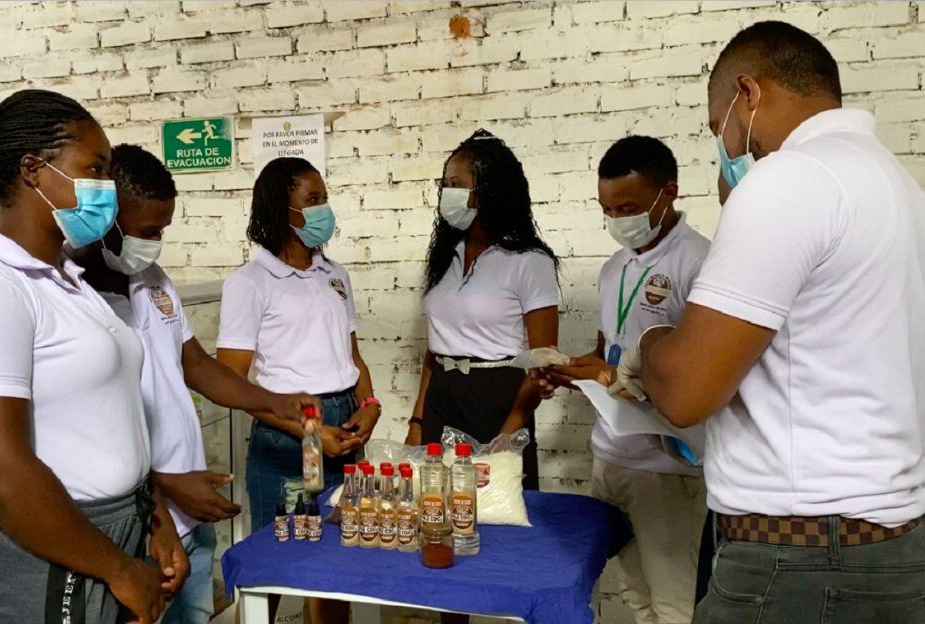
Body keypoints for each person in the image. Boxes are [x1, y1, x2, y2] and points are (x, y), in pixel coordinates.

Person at [599, 21, 925, 623]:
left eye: (717, 127)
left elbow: (687, 393)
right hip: (891, 542)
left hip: (799, 555)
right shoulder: (897, 185)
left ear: (748, 95)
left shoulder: (790, 179)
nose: (726, 148)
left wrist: (648, 340)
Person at [0, 70, 180, 623]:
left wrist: (153, 518)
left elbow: (118, 415)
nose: (107, 189)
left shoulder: (68, 281)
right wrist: (117, 568)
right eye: (95, 170)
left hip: (111, 536)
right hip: (43, 558)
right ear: (34, 171)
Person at [71, 144, 321, 624]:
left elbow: (197, 366)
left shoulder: (153, 279)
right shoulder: (75, 298)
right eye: (148, 231)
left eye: (163, 230)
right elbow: (78, 436)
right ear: (108, 219)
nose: (157, 242)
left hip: (190, 514)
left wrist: (277, 401)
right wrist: (163, 489)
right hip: (134, 525)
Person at [536, 136, 710, 624]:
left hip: (666, 465)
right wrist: (567, 370)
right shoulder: (615, 269)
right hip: (609, 455)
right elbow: (604, 353)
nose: (617, 221)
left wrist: (610, 373)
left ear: (668, 192)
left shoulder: (699, 263)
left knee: (673, 605)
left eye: (628, 207)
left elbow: (698, 376)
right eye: (606, 209)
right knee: (632, 598)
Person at [217, 157, 379, 624]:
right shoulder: (251, 283)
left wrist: (368, 404)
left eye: (325, 198)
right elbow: (232, 383)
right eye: (313, 201)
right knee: (280, 558)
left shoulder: (335, 275)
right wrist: (312, 433)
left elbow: (354, 356)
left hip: (343, 424)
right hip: (296, 429)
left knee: (338, 554)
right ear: (281, 209)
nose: (324, 209)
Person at [405, 129, 560, 492]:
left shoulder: (529, 261)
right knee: (435, 506)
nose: (446, 194)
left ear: (489, 190)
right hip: (442, 398)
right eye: (444, 185)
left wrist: (508, 434)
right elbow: (435, 349)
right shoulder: (446, 256)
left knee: (498, 512)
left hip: (500, 400)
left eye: (456, 184)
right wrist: (417, 420)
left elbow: (544, 360)